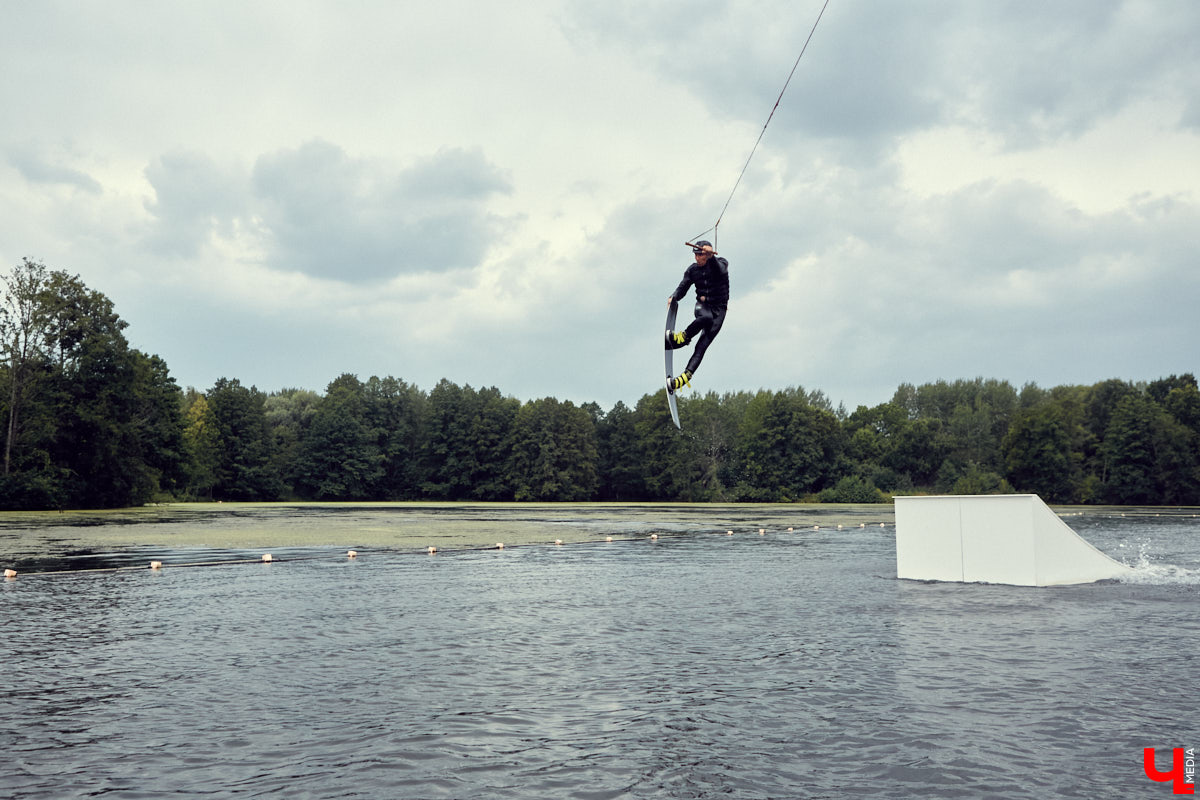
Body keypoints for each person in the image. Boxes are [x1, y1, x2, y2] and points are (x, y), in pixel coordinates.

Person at [666, 240, 729, 391]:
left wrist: (711, 256)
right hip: (703, 307)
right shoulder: (692, 270)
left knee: (702, 346)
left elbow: (720, 270)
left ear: (707, 255)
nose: (696, 259)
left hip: (719, 310)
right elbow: (683, 287)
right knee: (705, 318)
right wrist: (673, 297)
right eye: (695, 255)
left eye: (700, 256)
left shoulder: (721, 263)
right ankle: (682, 339)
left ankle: (684, 378)